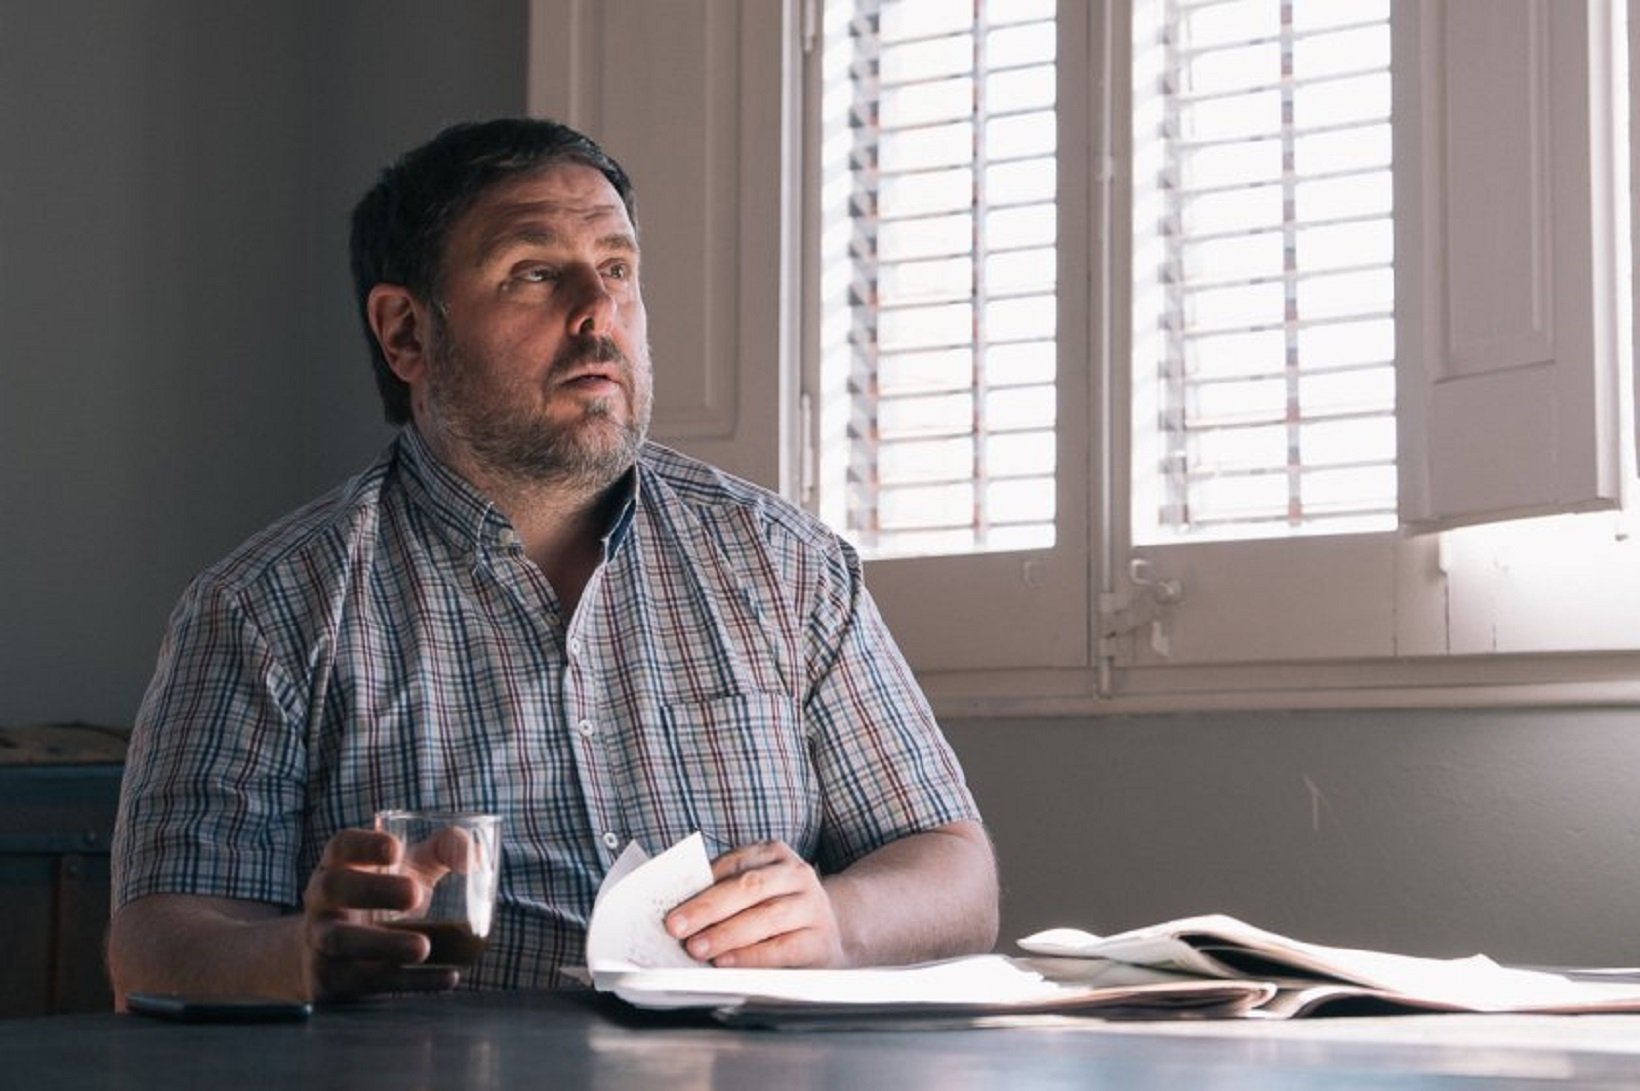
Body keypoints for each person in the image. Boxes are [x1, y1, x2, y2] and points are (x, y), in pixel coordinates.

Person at [107, 117, 998, 1005]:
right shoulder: (262, 608)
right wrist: (301, 955)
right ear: (406, 332)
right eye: (535, 272)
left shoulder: (789, 565)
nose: (598, 311)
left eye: (617, 268)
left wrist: (836, 921)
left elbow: (954, 870)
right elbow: (154, 944)